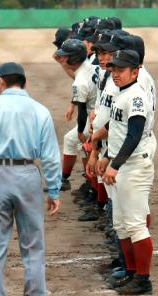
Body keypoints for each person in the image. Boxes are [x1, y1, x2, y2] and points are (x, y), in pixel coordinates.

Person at [0, 62, 61, 296]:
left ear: (0, 81)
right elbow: (50, 156)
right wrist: (54, 190)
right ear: (24, 82)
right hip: (27, 175)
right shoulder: (40, 110)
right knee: (33, 247)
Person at [97, 50, 155, 295]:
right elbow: (117, 131)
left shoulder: (137, 97)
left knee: (135, 225)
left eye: (121, 70)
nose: (116, 74)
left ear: (135, 71)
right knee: (121, 224)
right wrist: (107, 156)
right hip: (120, 164)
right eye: (114, 70)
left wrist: (115, 164)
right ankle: (131, 272)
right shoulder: (121, 93)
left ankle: (143, 279)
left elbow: (134, 136)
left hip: (134, 168)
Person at [54, 39, 99, 192]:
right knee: (81, 145)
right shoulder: (91, 66)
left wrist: (80, 131)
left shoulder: (79, 81)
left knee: (73, 139)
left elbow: (82, 111)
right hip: (99, 112)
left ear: (73, 59)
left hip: (94, 119)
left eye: (65, 56)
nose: (62, 58)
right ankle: (89, 184)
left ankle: (69, 180)